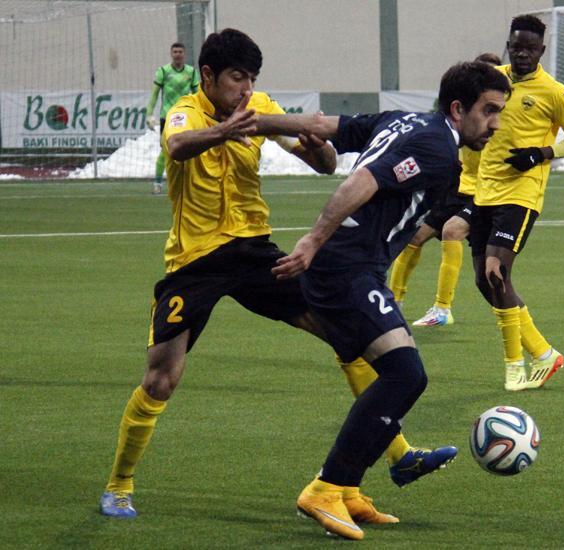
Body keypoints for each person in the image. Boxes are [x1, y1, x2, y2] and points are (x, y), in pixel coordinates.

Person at [99, 28, 455, 523]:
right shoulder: (186, 109)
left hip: (254, 253)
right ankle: (119, 484)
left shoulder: (259, 108)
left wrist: (315, 149)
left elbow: (324, 164)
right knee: (162, 379)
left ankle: (399, 455)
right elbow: (177, 145)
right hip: (194, 264)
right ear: (208, 76)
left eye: (252, 79)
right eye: (237, 78)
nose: (246, 90)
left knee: (344, 333)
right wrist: (226, 131)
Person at [252, 60, 511, 540]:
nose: (495, 124)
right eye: (490, 111)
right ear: (458, 109)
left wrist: (252, 122)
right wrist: (312, 241)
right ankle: (327, 487)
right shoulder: (437, 146)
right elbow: (362, 181)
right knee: (405, 374)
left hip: (353, 266)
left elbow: (320, 125)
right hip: (345, 267)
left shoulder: (402, 120)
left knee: (397, 373)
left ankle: (348, 491)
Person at [470, 14, 564, 391]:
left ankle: (514, 366)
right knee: (483, 281)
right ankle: (543, 352)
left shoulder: (554, 92)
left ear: (542, 51)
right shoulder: (491, 80)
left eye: (530, 49)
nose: (522, 54)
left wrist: (542, 153)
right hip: (484, 190)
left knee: (496, 273)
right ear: (508, 46)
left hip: (522, 192)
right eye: (516, 47)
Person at [389, 52, 502, 327]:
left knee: (452, 231)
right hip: (457, 185)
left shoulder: (500, 121)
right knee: (414, 236)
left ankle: (442, 309)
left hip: (484, 192)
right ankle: (393, 301)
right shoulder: (467, 112)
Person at [145, 42, 200, 194]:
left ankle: (188, 182)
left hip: (185, 117)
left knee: (189, 150)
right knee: (166, 150)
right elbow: (154, 94)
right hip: (167, 117)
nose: (178, 54)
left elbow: (198, 95)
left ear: (184, 54)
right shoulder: (163, 71)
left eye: (180, 52)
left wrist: (202, 113)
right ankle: (158, 183)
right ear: (171, 53)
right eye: (175, 52)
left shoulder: (191, 72)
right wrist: (149, 114)